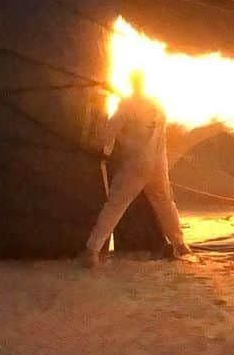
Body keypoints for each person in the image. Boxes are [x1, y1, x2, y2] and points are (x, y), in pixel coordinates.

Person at [80, 71, 190, 268]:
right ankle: (180, 244)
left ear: (131, 83)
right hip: (158, 164)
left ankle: (92, 250)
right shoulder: (157, 105)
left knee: (115, 205)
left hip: (135, 165)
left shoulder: (127, 106)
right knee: (165, 203)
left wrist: (98, 146)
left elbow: (108, 133)